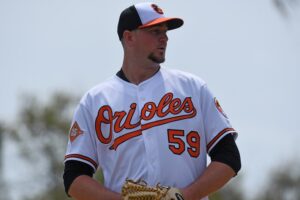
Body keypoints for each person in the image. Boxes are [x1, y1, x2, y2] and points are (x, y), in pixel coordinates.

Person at [63, 2, 241, 200]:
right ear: (129, 37)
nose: (164, 37)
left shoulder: (192, 88)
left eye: (165, 31)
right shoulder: (95, 101)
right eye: (155, 31)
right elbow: (74, 177)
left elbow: (229, 158)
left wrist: (185, 196)